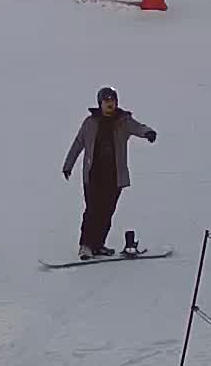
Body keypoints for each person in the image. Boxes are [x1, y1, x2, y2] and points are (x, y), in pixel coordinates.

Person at [61, 87, 157, 260]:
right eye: (106, 101)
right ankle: (86, 246)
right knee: (92, 211)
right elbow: (78, 144)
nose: (110, 104)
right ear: (100, 104)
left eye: (112, 100)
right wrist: (68, 165)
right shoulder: (90, 123)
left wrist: (147, 133)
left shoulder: (123, 121)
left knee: (107, 211)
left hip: (114, 177)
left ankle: (98, 245)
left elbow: (138, 127)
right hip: (93, 176)